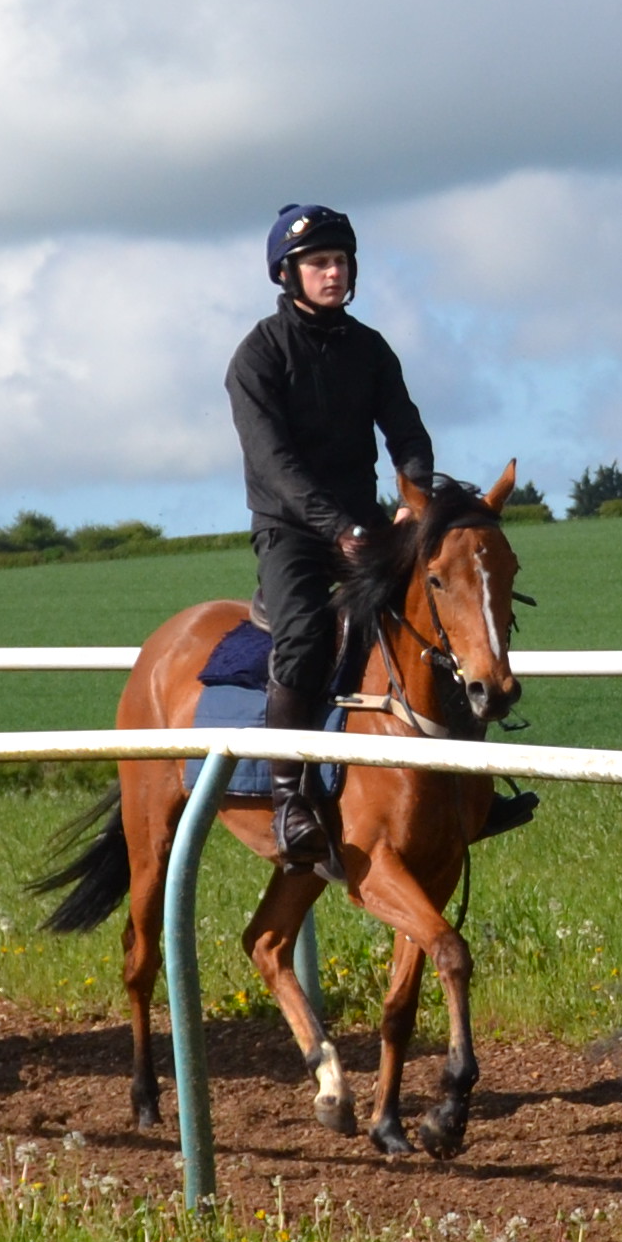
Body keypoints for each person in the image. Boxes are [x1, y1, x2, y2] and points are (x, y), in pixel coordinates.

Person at [227, 203, 436, 867]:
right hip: (291, 533)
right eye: (319, 262)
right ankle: (290, 799)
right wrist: (336, 525)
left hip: (367, 524)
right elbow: (274, 463)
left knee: (432, 618)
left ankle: (456, 784)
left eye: (341, 261)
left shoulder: (370, 349)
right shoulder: (258, 356)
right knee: (310, 632)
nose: (333, 272)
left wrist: (416, 496)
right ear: (287, 274)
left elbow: (406, 430)